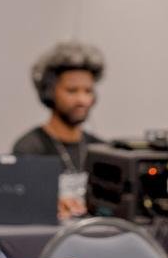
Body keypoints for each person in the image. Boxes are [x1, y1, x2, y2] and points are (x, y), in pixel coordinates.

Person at [13, 41, 105, 219]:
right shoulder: (29, 149)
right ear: (49, 93)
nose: (82, 100)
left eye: (88, 91)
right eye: (72, 91)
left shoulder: (101, 149)